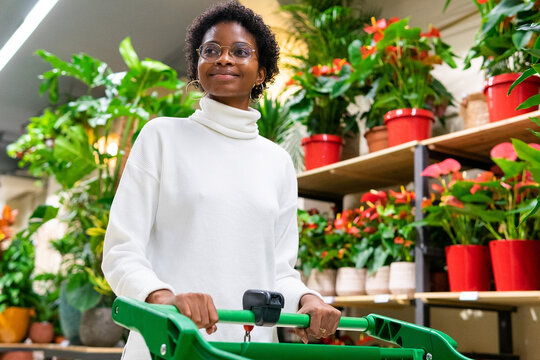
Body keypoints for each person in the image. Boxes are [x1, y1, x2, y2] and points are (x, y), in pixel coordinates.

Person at [102, 2, 341, 359]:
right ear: (198, 65)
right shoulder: (161, 138)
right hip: (169, 344)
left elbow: (277, 270)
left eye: (240, 52)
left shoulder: (276, 161)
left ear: (261, 72)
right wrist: (163, 297)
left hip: (251, 350)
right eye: (211, 50)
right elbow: (121, 251)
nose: (224, 59)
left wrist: (308, 299)